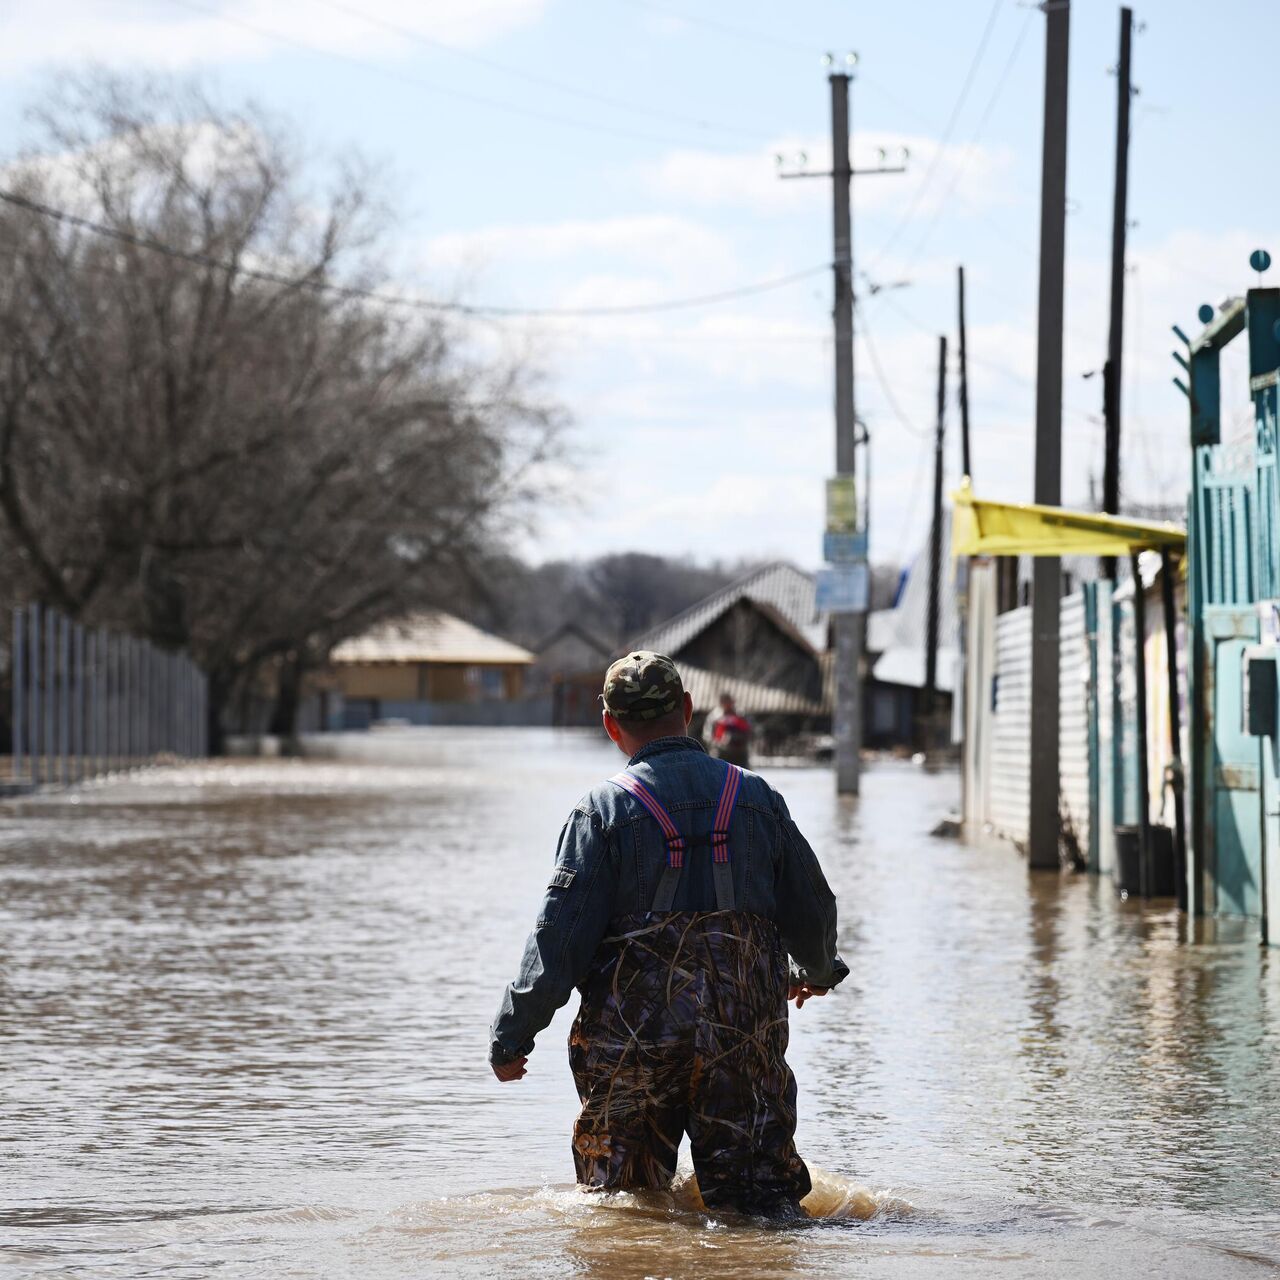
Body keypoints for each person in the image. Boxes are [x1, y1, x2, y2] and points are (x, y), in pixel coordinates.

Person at [489, 650, 848, 1217]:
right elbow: (811, 901)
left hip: (634, 1045)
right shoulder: (756, 799)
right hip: (742, 1041)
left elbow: (558, 939)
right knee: (762, 1213)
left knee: (621, 1212)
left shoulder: (601, 811)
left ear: (610, 724)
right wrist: (818, 971)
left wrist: (513, 1034)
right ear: (687, 709)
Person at [703, 691, 753, 768]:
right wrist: (719, 742)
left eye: (728, 701)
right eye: (724, 702)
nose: (727, 704)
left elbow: (750, 731)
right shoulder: (714, 717)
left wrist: (738, 738)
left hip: (740, 754)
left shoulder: (741, 715)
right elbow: (707, 736)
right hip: (720, 754)